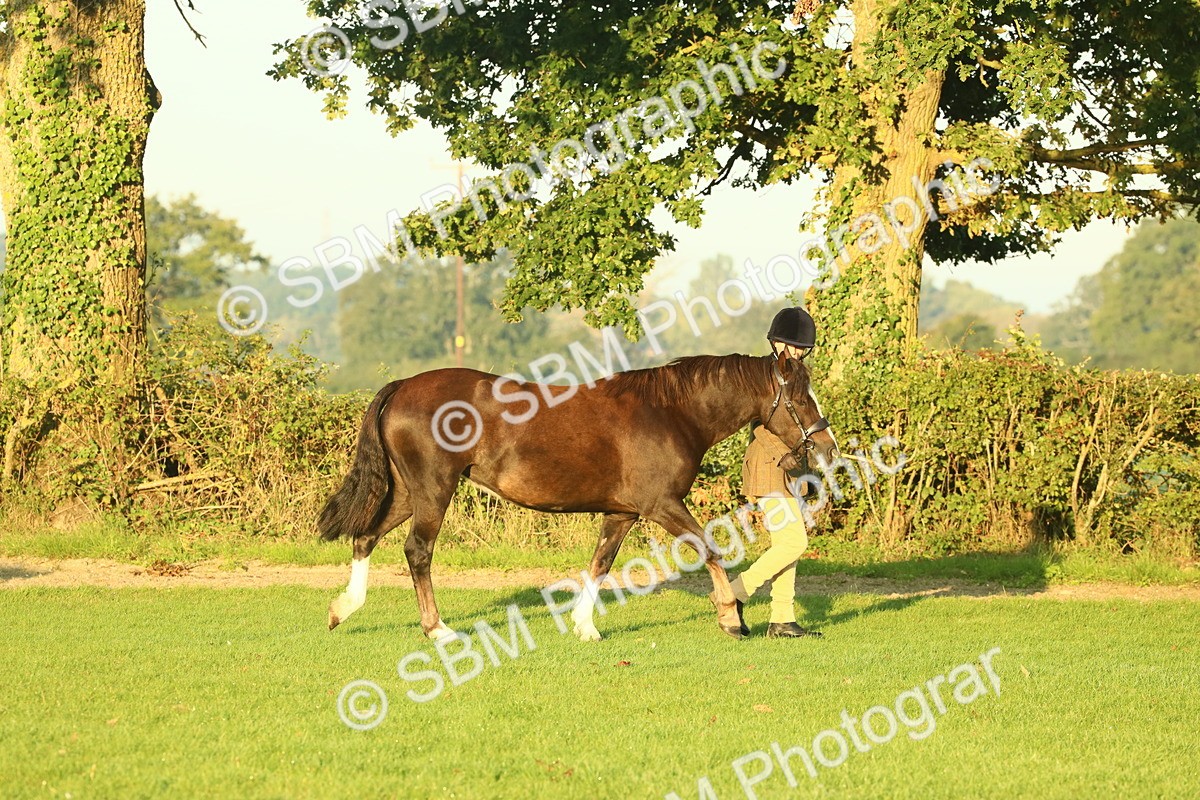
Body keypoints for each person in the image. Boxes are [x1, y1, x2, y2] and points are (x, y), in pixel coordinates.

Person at [730, 306, 823, 639]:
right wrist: (782, 453)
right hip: (769, 466)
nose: (797, 352)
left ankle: (782, 619)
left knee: (788, 544)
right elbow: (758, 425)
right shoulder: (764, 375)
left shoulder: (795, 376)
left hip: (791, 470)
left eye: (801, 348)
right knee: (795, 542)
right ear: (776, 343)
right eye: (792, 346)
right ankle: (733, 594)